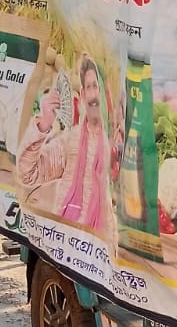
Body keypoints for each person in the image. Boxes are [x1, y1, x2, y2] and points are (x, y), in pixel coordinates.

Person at [18, 55, 112, 235]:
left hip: (104, 243)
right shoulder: (71, 142)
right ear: (83, 95)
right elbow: (28, 173)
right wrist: (44, 123)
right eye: (89, 87)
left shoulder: (117, 144)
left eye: (97, 86)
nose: (94, 95)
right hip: (70, 239)